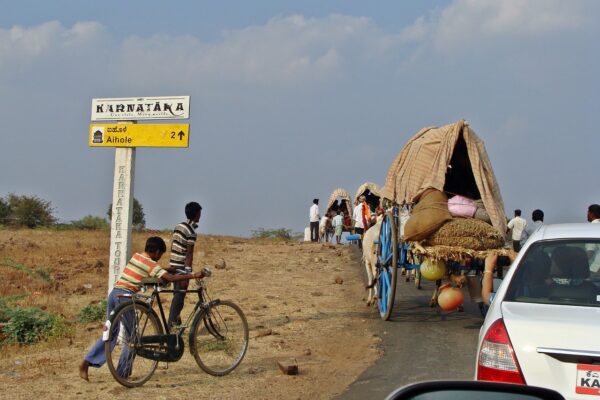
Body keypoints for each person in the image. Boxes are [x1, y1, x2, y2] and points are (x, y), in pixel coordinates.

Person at [79, 236, 206, 381]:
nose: (159, 259)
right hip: (125, 298)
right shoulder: (152, 264)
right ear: (157, 252)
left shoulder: (136, 257)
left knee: (111, 333)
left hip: (114, 294)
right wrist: (194, 275)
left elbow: (147, 269)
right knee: (133, 338)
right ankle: (122, 373)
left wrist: (166, 269)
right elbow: (169, 278)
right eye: (160, 255)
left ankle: (87, 361)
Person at [167, 201, 202, 329]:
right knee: (180, 297)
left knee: (176, 294)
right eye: (199, 213)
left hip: (172, 264)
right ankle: (170, 325)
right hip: (181, 266)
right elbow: (189, 254)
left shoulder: (178, 226)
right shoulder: (191, 231)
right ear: (196, 214)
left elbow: (173, 245)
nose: (200, 216)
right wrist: (188, 272)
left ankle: (176, 321)